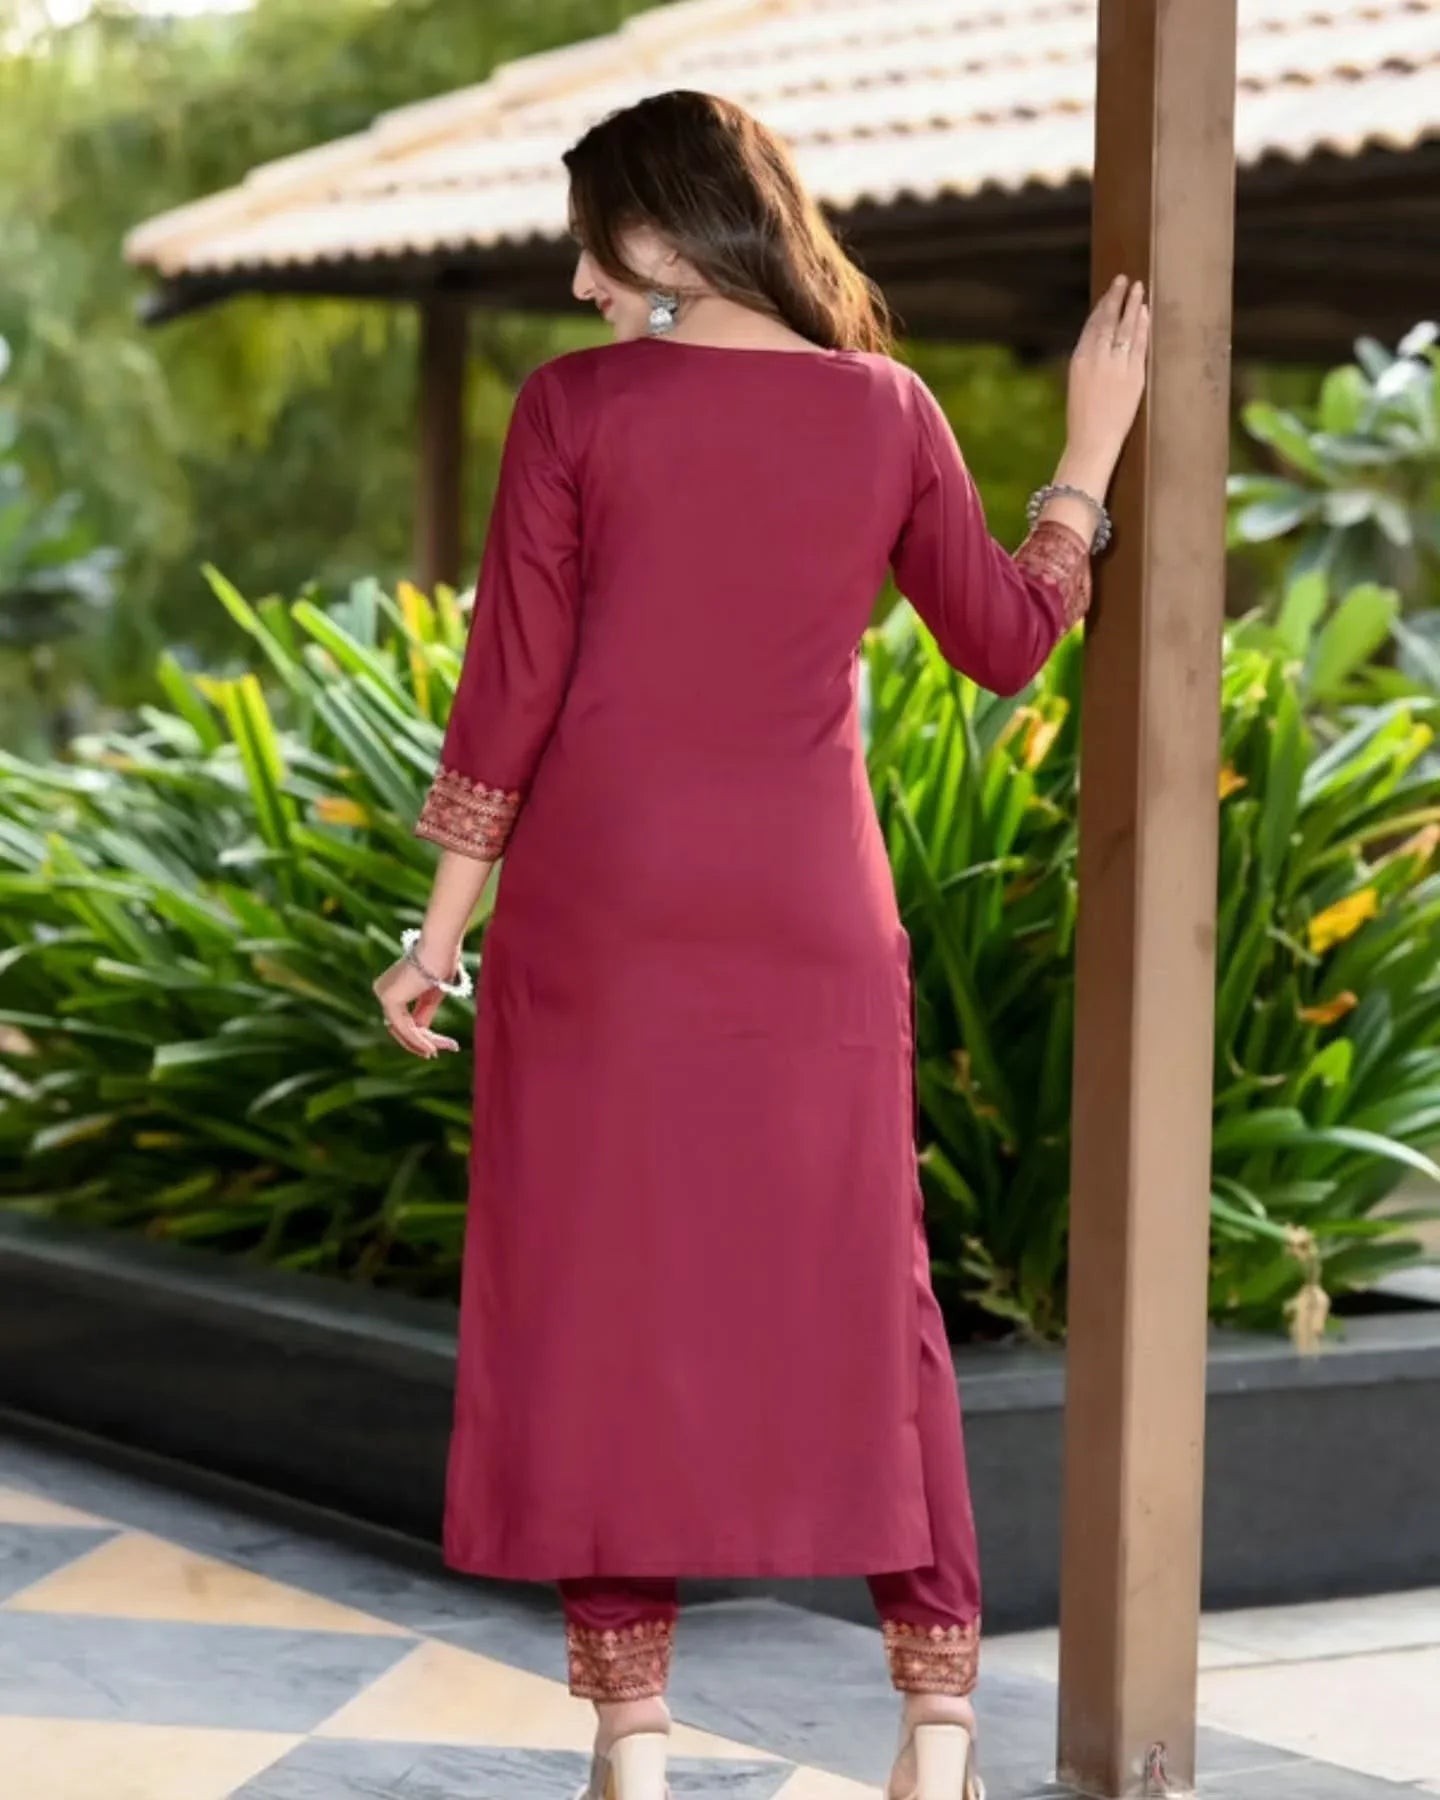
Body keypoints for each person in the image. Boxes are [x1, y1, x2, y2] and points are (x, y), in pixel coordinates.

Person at [373, 87, 1148, 1800]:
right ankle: (936, 1719)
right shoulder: (886, 409)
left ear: (660, 232)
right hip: (809, 918)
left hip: (606, 916)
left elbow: (510, 694)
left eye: (592, 243)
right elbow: (1007, 642)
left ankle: (632, 1739)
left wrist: (434, 940)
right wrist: (1084, 467)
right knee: (875, 1288)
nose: (580, 283)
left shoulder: (573, 410)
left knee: (605, 1289)